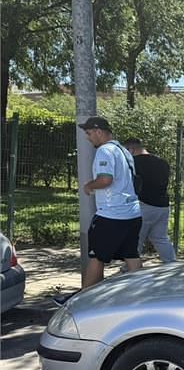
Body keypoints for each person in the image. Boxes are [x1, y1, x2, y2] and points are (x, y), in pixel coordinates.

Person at [70, 117, 142, 294]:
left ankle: (84, 298)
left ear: (98, 132)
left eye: (89, 133)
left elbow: (105, 180)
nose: (87, 138)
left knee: (96, 256)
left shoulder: (105, 151)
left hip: (111, 214)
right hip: (132, 213)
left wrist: (89, 186)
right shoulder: (123, 150)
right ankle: (142, 293)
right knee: (131, 255)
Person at [123, 137, 177, 263]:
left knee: (135, 239)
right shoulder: (162, 162)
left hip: (143, 205)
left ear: (131, 149)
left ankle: (131, 268)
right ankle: (171, 263)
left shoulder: (133, 163)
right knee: (160, 238)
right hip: (163, 205)